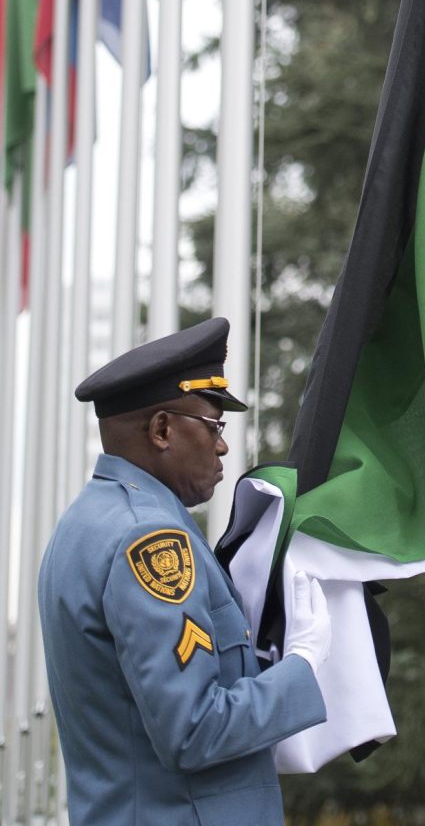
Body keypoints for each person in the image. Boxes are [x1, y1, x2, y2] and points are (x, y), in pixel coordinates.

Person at [38, 317, 330, 826]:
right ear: (163, 430)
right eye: (214, 426)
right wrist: (302, 666)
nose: (222, 447)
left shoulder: (87, 521)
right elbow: (194, 730)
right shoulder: (149, 540)